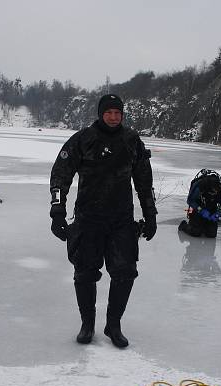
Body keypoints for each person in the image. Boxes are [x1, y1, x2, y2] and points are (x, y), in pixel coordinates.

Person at [49, 94, 155, 348]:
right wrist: (57, 211)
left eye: (118, 113)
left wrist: (150, 214)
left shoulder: (131, 141)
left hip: (121, 220)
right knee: (85, 273)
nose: (113, 117)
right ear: (100, 113)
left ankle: (113, 324)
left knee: (125, 273)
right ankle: (87, 324)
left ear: (122, 115)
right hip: (88, 218)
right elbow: (60, 175)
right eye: (108, 112)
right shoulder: (83, 139)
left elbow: (144, 181)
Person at [178, 169, 221, 238]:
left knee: (211, 234)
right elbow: (190, 200)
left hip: (212, 208)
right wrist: (201, 210)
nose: (215, 192)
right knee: (196, 232)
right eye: (213, 191)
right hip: (198, 207)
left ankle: (204, 226)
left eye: (216, 191)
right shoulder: (200, 185)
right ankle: (183, 225)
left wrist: (219, 212)